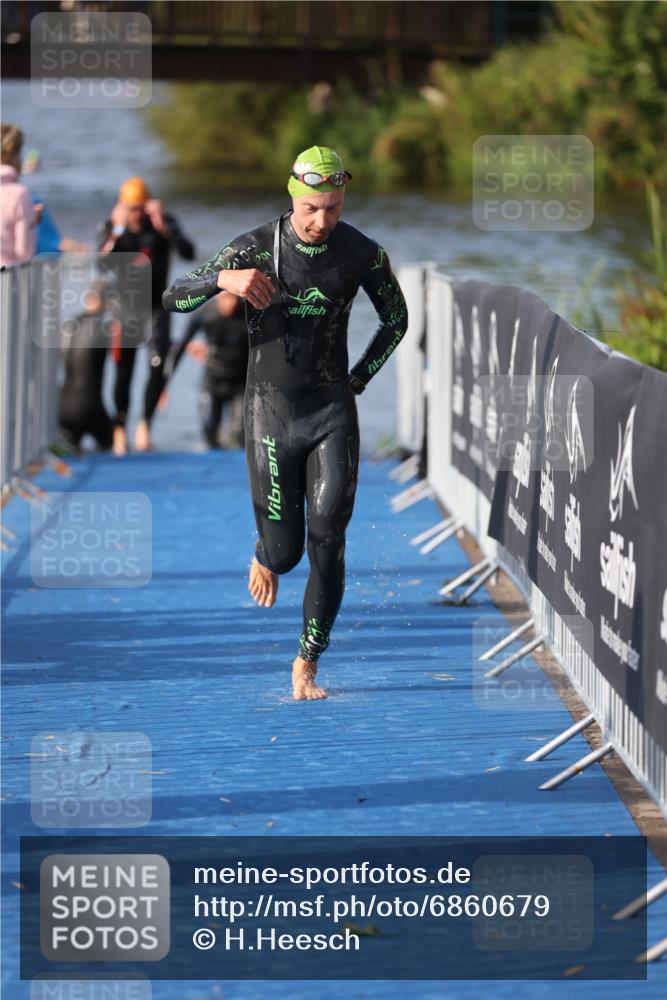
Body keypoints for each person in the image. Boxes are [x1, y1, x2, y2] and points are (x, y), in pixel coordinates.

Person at [163, 146, 408, 701]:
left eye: (335, 208)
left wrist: (360, 378)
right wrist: (224, 282)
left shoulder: (361, 252)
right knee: (286, 552)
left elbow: (396, 319)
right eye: (313, 209)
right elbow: (172, 296)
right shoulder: (254, 248)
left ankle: (307, 661)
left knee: (329, 535)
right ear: (293, 195)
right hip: (270, 414)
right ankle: (265, 552)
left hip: (331, 411)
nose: (323, 222)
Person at [98, 176, 195, 455]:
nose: (137, 214)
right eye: (131, 208)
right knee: (123, 372)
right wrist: (116, 229)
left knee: (157, 367)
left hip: (157, 309)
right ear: (122, 207)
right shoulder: (113, 227)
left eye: (141, 208)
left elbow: (189, 253)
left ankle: (145, 426)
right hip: (126, 310)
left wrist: (164, 226)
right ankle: (120, 428)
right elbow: (101, 264)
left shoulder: (162, 222)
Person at [164, 290, 248, 449]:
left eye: (235, 298)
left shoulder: (248, 312)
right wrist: (164, 386)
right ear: (217, 297)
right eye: (226, 298)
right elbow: (180, 347)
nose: (231, 304)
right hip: (213, 380)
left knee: (240, 434)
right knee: (209, 430)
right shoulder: (206, 313)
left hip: (241, 383)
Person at [58, 281, 114, 452]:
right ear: (107, 302)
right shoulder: (104, 329)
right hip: (91, 408)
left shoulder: (68, 325)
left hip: (63, 407)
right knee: (112, 446)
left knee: (73, 453)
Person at [0, 123, 36, 267]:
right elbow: (24, 252)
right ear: (15, 155)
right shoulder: (19, 194)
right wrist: (32, 223)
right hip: (5, 278)